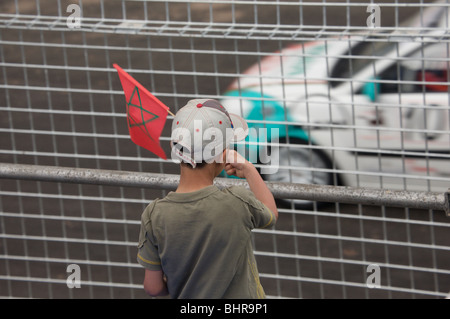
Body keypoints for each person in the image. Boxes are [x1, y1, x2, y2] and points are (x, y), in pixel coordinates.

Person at [136, 99, 278, 298]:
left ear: (174, 147)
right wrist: (248, 169)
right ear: (221, 153)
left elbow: (153, 288)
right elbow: (271, 214)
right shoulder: (237, 201)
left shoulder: (154, 214)